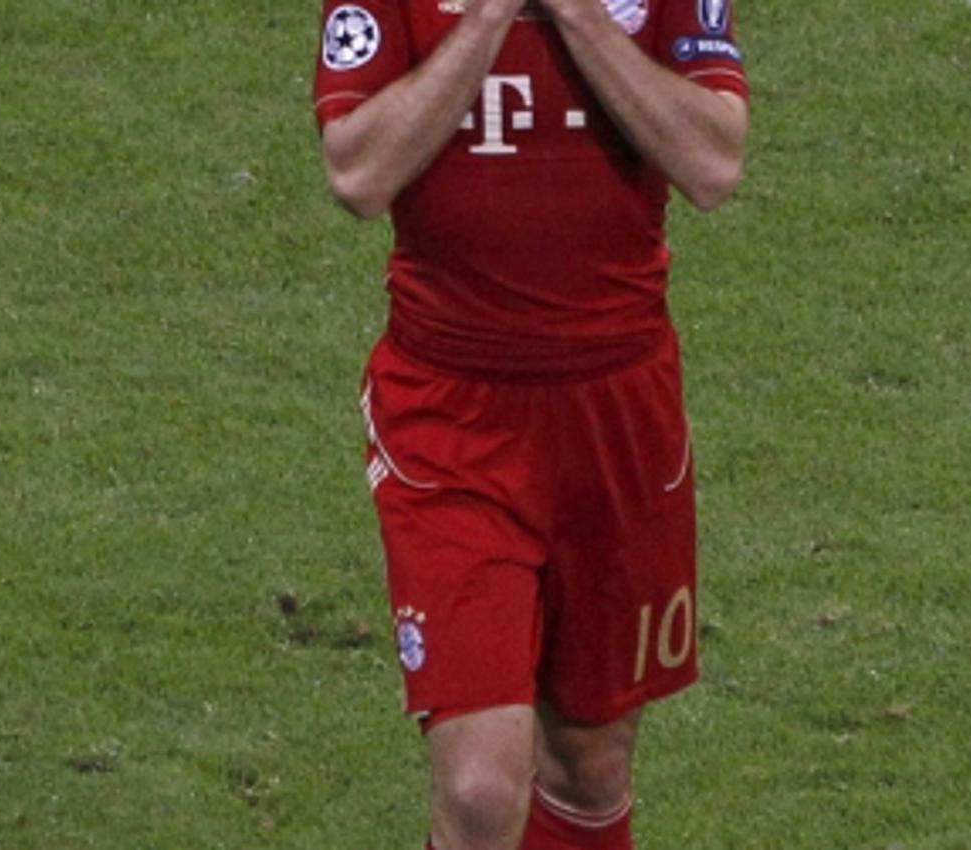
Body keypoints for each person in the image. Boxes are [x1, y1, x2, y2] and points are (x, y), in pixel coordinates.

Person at [313, 0, 747, 847]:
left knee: (592, 764)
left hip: (619, 418)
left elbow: (712, 163)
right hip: (451, 423)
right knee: (479, 791)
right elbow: (358, 175)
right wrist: (486, 18)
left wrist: (578, 15)